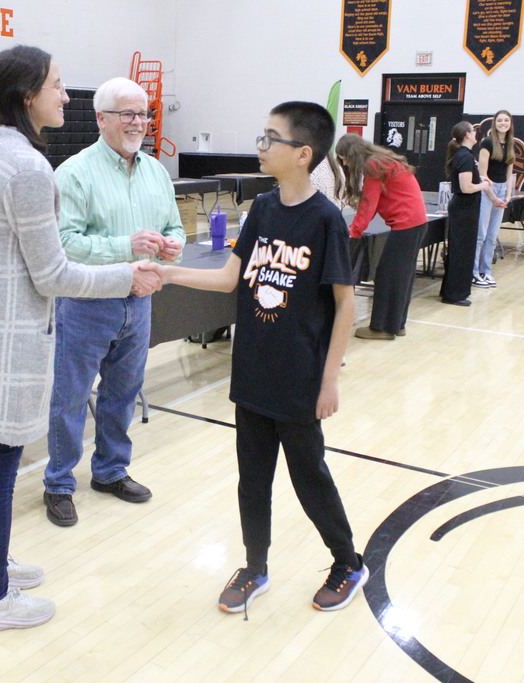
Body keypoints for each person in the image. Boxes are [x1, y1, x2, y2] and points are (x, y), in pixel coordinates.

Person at [0, 46, 160, 634]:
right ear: (28, 95)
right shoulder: (27, 167)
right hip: (5, 341)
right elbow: (53, 274)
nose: (66, 96)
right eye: (58, 86)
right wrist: (125, 276)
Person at [145, 102, 367, 615]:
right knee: (252, 478)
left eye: (272, 138)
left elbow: (345, 303)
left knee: (310, 477)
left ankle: (347, 562)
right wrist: (169, 274)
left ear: (302, 154)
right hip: (253, 373)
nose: (261, 146)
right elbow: (229, 278)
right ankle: (255, 565)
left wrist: (329, 380)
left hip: (300, 379)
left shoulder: (325, 220)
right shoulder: (264, 209)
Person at [42, 77, 186, 527]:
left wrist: (173, 246)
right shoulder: (74, 173)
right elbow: (64, 244)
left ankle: (108, 471)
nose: (138, 122)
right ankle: (59, 483)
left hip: (139, 301)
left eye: (143, 113)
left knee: (123, 393)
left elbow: (176, 226)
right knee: (71, 398)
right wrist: (127, 248)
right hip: (87, 302)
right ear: (101, 118)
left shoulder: (156, 171)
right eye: (127, 113)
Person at [334, 133, 428, 339]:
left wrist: (354, 232)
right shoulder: (383, 159)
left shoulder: (373, 165)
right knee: (402, 276)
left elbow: (369, 204)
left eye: (344, 157)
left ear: (352, 153)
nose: (344, 162)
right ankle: (397, 325)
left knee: (387, 276)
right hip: (417, 223)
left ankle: (382, 328)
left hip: (406, 224)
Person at [441, 121, 490, 306]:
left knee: (461, 250)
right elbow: (466, 187)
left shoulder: (464, 156)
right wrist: (483, 185)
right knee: (461, 251)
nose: (476, 134)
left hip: (465, 208)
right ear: (468, 135)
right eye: (474, 131)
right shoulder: (465, 157)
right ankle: (454, 294)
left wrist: (480, 178)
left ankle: (452, 291)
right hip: (464, 209)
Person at [473, 110, 514, 287]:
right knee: (480, 234)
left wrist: (508, 195)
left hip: (502, 189)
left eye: (506, 120)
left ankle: (485, 270)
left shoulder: (510, 144)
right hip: (487, 190)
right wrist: (493, 196)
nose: (503, 123)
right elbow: (482, 174)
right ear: (494, 123)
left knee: (492, 235)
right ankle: (473, 272)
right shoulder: (487, 143)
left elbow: (510, 172)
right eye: (500, 120)